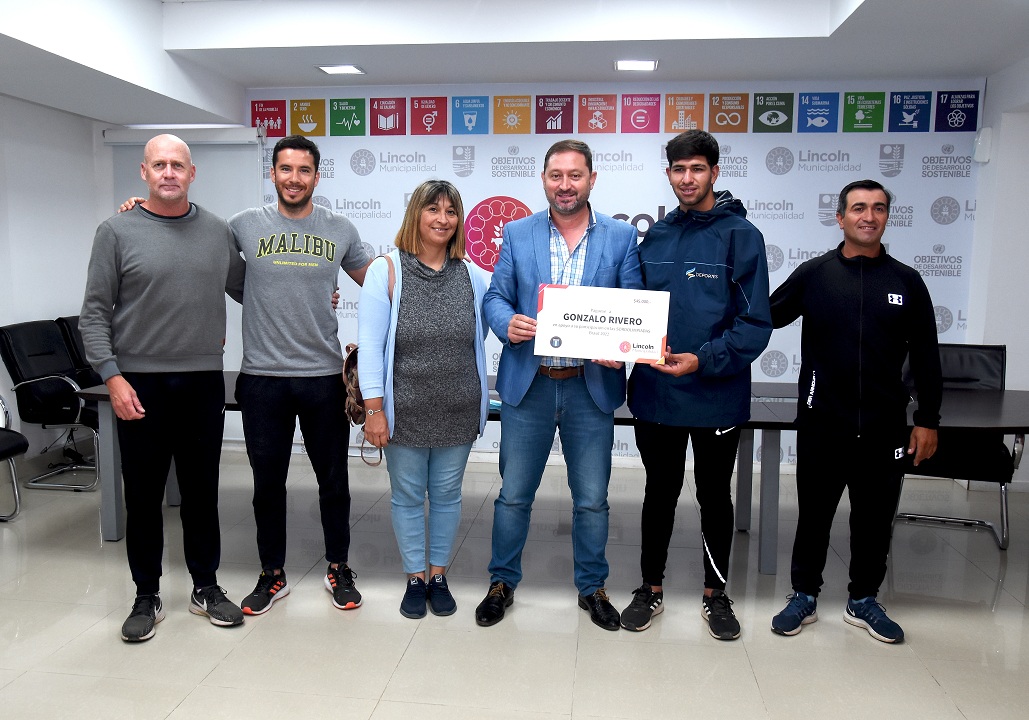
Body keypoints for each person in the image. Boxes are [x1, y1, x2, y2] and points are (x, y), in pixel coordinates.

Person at [80, 134, 247, 642]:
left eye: (178, 164)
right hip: (138, 385)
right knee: (144, 496)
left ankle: (205, 587)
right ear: (144, 172)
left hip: (201, 382)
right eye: (159, 165)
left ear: (192, 173)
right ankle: (145, 595)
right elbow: (94, 314)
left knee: (201, 494)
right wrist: (112, 376)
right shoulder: (115, 231)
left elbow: (250, 289)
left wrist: (314, 291)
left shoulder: (217, 231)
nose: (169, 173)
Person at [476, 139, 643, 631]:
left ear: (592, 179)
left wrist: (622, 345)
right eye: (556, 175)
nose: (565, 185)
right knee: (513, 495)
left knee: (591, 499)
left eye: (574, 175)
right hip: (529, 385)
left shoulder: (620, 237)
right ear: (544, 179)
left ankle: (592, 588)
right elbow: (496, 297)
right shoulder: (518, 232)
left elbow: (633, 302)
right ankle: (502, 582)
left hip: (590, 389)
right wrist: (505, 323)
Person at [768, 179, 942, 644]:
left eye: (878, 208)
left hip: (885, 426)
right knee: (814, 516)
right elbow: (764, 316)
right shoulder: (815, 274)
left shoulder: (907, 280)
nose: (869, 216)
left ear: (887, 217)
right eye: (859, 208)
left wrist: (928, 419)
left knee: (874, 519)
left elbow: (927, 355)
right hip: (823, 421)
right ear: (840, 217)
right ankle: (804, 595)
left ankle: (863, 599)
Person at [620, 130, 772, 640]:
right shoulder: (656, 236)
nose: (687, 178)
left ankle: (716, 594)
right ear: (668, 174)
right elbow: (633, 311)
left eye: (697, 168)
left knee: (714, 496)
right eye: (679, 169)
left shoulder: (742, 236)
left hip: (716, 395)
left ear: (714, 172)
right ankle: (650, 588)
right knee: (658, 493)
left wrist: (703, 360)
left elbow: (755, 323)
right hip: (656, 394)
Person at [228, 135, 372, 615]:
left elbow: (374, 281)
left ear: (316, 176)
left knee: (334, 481)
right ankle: (272, 574)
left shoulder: (339, 228)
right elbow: (207, 257)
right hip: (262, 378)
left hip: (323, 376)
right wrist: (140, 208)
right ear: (272, 174)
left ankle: (339, 567)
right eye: (285, 169)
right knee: (267, 484)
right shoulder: (242, 226)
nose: (294, 179)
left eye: (304, 170)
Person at [358, 180, 490, 619]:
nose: (442, 219)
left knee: (448, 495)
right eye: (433, 209)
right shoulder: (386, 271)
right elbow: (370, 348)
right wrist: (374, 410)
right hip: (404, 411)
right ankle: (415, 577)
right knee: (408, 496)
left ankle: (438, 575)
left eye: (451, 211)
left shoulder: (472, 275)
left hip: (459, 407)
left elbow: (487, 330)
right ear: (415, 213)